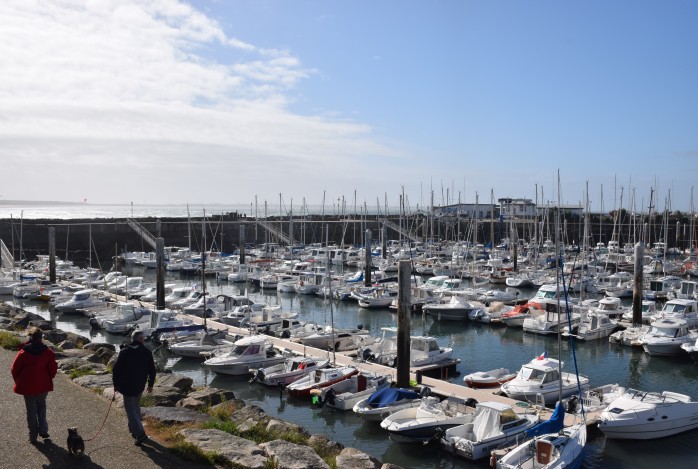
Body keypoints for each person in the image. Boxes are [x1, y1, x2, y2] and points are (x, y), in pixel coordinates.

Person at [11, 327, 58, 444]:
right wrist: (48, 378)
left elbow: (14, 369)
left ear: (30, 337)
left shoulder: (23, 353)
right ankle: (43, 429)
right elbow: (53, 369)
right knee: (42, 406)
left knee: (31, 410)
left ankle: (33, 436)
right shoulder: (47, 353)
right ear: (41, 338)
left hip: (27, 386)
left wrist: (19, 380)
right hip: (43, 385)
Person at [112, 329, 156, 446]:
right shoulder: (147, 352)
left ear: (133, 339)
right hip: (140, 385)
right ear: (141, 339)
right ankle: (134, 430)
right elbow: (152, 370)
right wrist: (150, 384)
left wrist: (115, 384)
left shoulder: (124, 351)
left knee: (130, 409)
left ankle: (140, 433)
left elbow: (116, 369)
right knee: (136, 406)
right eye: (144, 338)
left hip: (127, 385)